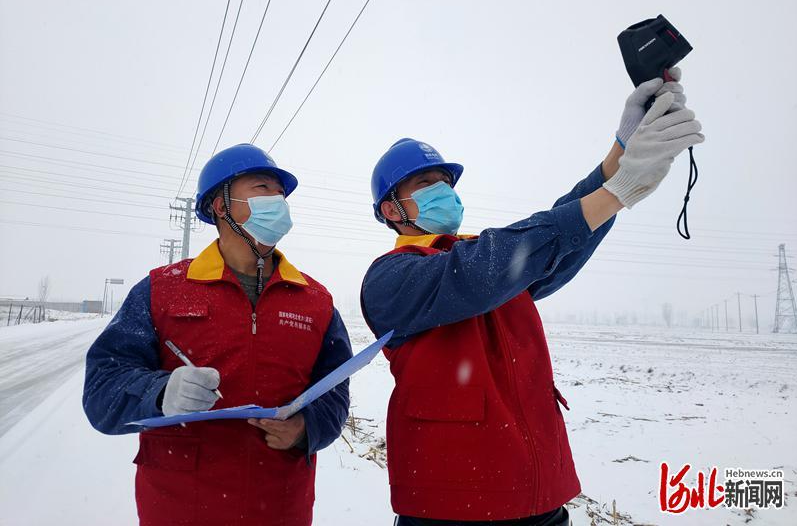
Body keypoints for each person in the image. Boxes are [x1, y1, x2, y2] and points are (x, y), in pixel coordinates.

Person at [360, 72, 703, 525]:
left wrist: (622, 149)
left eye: (446, 181)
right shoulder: (389, 279)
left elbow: (555, 245)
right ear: (391, 209)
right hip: (453, 506)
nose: (444, 190)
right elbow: (488, 267)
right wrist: (615, 194)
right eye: (426, 183)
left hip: (538, 495)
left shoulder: (491, 261)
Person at [83, 143, 352, 526]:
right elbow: (100, 389)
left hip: (280, 506)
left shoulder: (315, 301)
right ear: (221, 205)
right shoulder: (162, 289)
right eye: (263, 188)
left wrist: (308, 427)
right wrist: (160, 393)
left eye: (281, 193)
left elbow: (335, 390)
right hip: (180, 508)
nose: (277, 201)